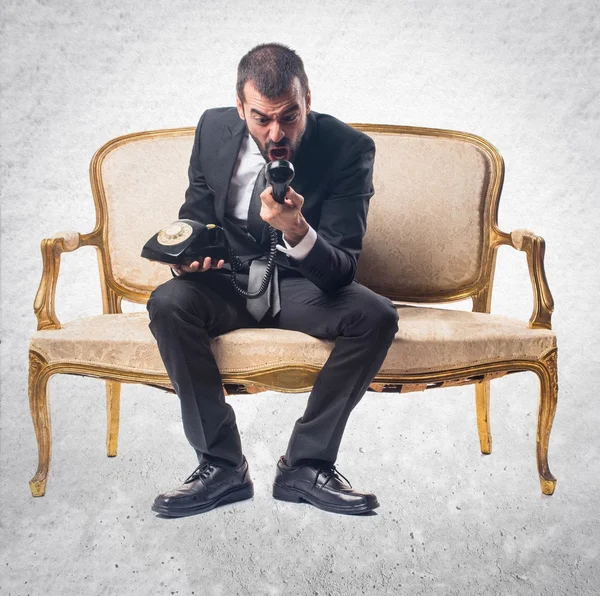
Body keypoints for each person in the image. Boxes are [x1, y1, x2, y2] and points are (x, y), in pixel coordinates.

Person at [147, 43, 399, 517]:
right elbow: (196, 216)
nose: (276, 132)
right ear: (240, 107)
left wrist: (297, 230)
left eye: (290, 116)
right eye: (261, 118)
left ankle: (306, 465)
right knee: (169, 302)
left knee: (376, 316)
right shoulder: (212, 128)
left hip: (302, 285)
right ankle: (221, 467)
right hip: (229, 281)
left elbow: (343, 267)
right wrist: (189, 261)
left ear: (308, 101)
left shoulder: (349, 148)